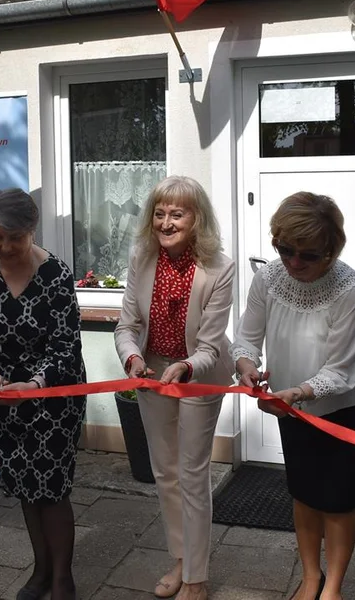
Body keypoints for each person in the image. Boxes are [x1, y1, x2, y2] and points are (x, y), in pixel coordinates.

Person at [233, 192, 355, 600]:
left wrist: (295, 394)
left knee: (338, 500)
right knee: (303, 492)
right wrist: (246, 368)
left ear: (331, 252)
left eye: (308, 255)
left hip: (346, 405)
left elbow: (341, 372)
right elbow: (246, 338)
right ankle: (311, 576)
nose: (294, 263)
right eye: (285, 250)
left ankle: (332, 588)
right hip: (293, 406)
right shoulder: (268, 278)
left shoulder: (348, 288)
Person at [0, 188, 86, 600]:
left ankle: (62, 578)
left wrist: (34, 385)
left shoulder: (56, 275)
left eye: (15, 237)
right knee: (25, 484)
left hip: (53, 398)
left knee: (51, 486)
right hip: (3, 398)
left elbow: (65, 347)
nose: (6, 246)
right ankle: (41, 570)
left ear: (32, 230)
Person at [115, 176, 235, 600]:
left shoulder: (220, 268)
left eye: (177, 214)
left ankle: (197, 579)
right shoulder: (141, 256)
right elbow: (127, 326)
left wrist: (185, 366)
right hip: (153, 372)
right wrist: (133, 359)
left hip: (198, 374)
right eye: (159, 213)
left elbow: (210, 347)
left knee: (192, 474)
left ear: (196, 218)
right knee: (165, 473)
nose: (166, 223)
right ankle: (182, 559)